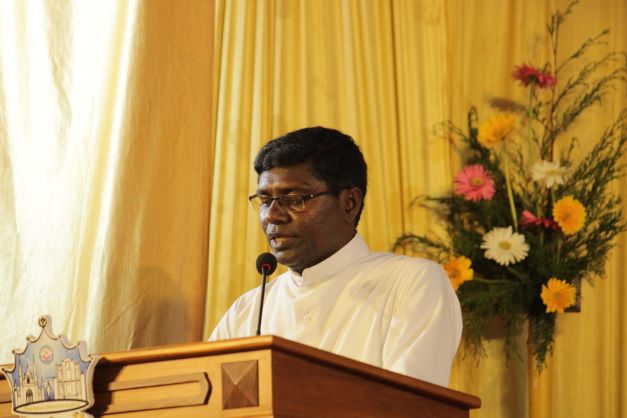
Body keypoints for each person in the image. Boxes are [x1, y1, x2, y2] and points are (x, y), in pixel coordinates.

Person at [210, 126, 462, 387]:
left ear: (349, 203)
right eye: (265, 201)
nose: (272, 215)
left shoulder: (411, 284)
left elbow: (409, 403)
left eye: (294, 199)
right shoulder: (248, 310)